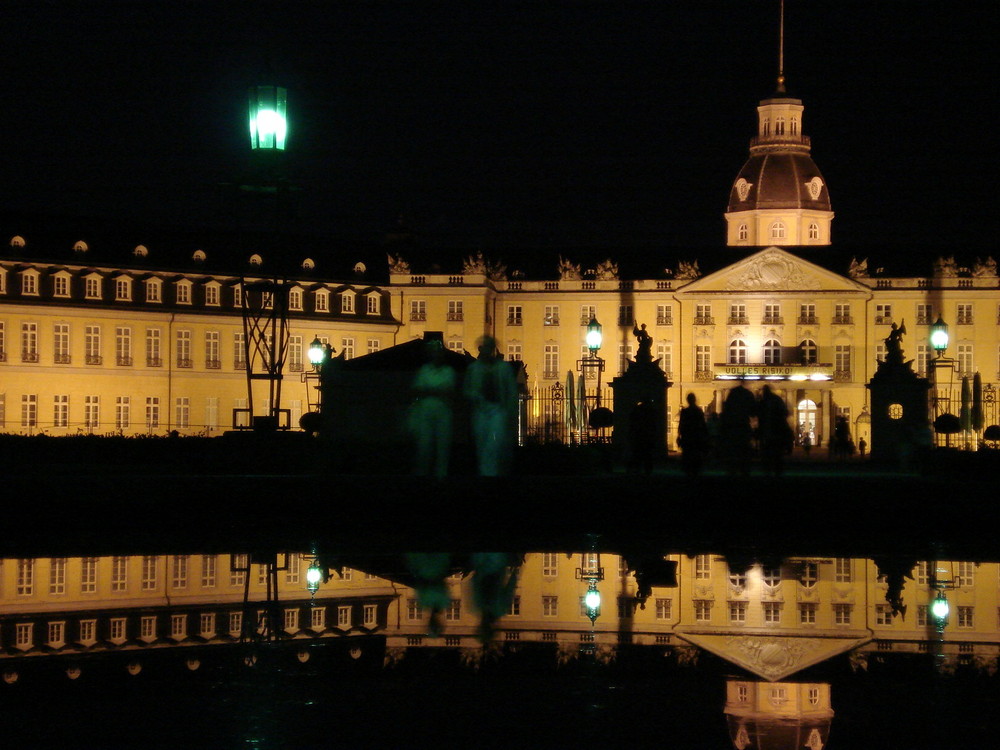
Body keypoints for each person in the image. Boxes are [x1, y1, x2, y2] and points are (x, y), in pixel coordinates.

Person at [464, 336, 518, 476]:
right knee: (483, 444)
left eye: (490, 347)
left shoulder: (502, 368)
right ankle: (487, 473)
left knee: (495, 444)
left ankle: (491, 473)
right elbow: (467, 390)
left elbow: (511, 392)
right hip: (481, 410)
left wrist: (510, 412)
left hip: (497, 410)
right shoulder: (474, 368)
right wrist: (476, 396)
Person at [409, 340, 456, 478]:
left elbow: (448, 391)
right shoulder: (426, 370)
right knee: (425, 447)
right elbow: (418, 390)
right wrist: (438, 391)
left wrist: (428, 391)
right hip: (427, 413)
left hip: (442, 413)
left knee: (442, 448)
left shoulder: (448, 371)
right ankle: (425, 476)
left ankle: (439, 476)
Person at [719, 381, 756, 476]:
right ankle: (744, 472)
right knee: (743, 453)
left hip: (732, 428)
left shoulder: (733, 393)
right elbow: (753, 411)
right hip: (742, 427)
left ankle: (732, 473)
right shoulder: (747, 394)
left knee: (733, 454)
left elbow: (726, 411)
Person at [758, 385, 792, 475]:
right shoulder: (777, 400)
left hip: (768, 432)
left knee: (767, 455)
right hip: (777, 431)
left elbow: (757, 414)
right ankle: (778, 473)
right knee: (777, 455)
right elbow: (786, 412)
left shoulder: (763, 401)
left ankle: (768, 473)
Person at [677, 392, 709, 477]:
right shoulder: (698, 411)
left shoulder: (685, 412)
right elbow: (703, 425)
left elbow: (681, 425)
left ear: (688, 400)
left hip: (688, 437)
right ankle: (696, 470)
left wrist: (679, 435)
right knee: (696, 455)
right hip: (696, 436)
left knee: (687, 455)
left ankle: (688, 470)